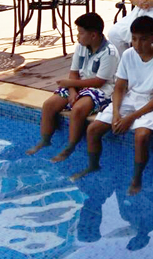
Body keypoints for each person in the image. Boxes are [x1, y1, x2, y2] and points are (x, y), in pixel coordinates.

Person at [70, 16, 153, 195]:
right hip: (130, 98)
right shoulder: (128, 54)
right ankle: (93, 166)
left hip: (152, 101)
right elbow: (119, 88)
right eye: (134, 39)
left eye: (143, 39)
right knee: (93, 129)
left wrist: (130, 118)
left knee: (141, 136)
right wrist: (116, 113)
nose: (137, 44)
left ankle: (137, 178)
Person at [26, 12, 119, 161]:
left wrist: (71, 84)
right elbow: (74, 73)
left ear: (93, 35)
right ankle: (45, 140)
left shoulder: (110, 52)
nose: (77, 36)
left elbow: (99, 81)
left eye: (81, 33)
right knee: (49, 105)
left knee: (78, 109)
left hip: (101, 90)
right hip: (78, 85)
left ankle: (71, 146)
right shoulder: (81, 47)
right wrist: (72, 91)